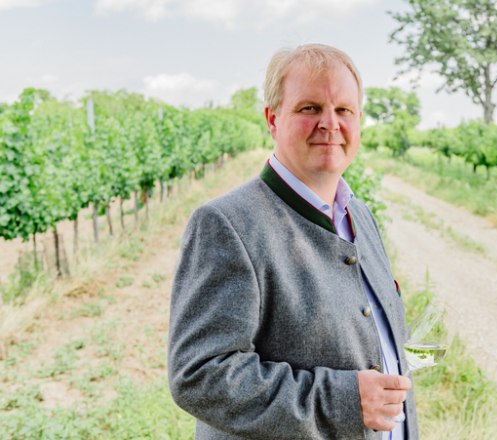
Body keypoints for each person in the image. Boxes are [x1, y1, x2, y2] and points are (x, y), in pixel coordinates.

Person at [167, 43, 418, 440]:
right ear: (273, 119)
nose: (330, 124)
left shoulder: (361, 215)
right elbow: (200, 375)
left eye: (344, 110)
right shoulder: (226, 224)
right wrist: (344, 402)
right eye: (309, 108)